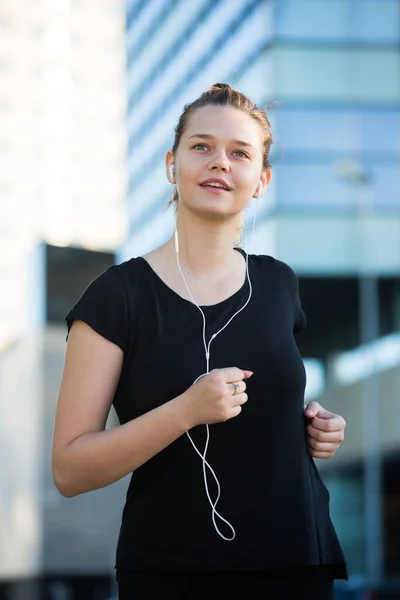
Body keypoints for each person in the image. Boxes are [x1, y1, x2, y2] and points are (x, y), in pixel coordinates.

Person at [52, 83, 347, 599]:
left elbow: (271, 416)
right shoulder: (117, 294)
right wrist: (185, 410)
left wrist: (316, 429)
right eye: (202, 147)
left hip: (297, 559)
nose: (220, 163)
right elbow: (70, 469)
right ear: (172, 163)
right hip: (173, 572)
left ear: (262, 180)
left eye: (240, 153)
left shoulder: (280, 284)